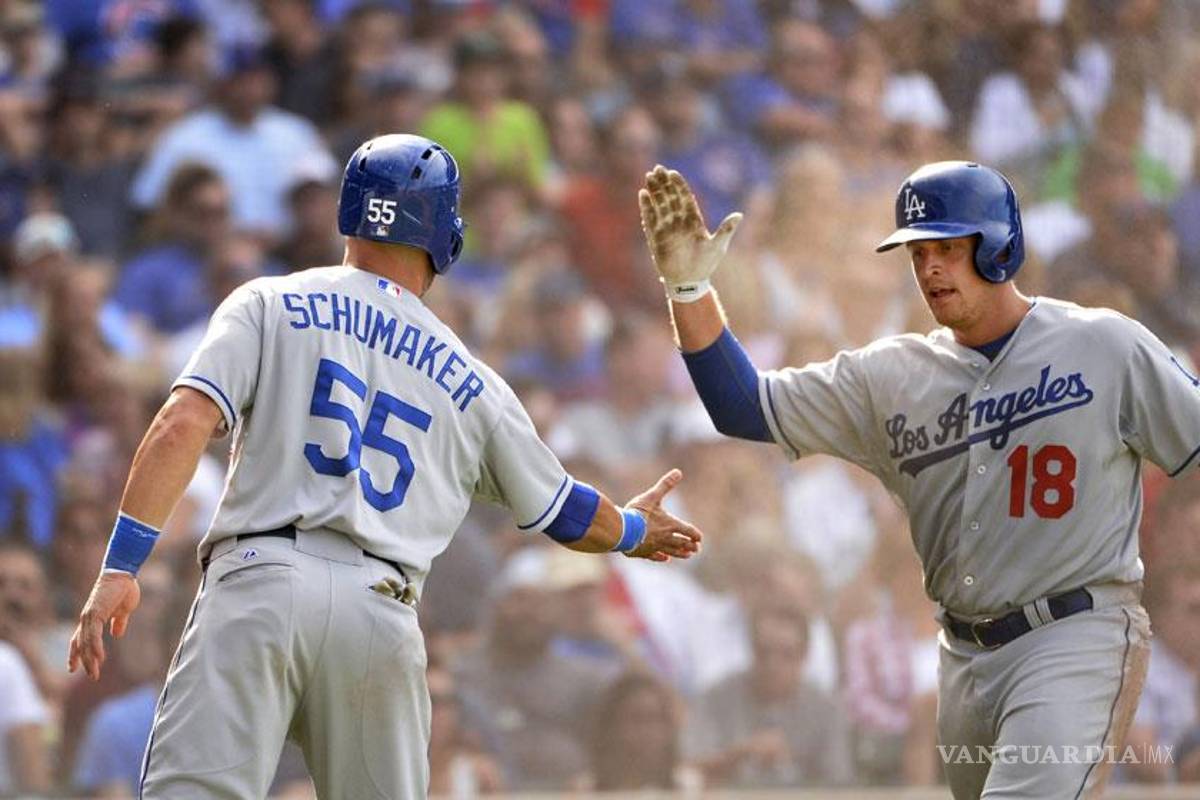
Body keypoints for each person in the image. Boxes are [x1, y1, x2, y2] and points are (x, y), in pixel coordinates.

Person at [67, 134, 703, 800]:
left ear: (350, 210)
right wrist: (634, 528)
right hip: (379, 611)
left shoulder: (269, 302)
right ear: (445, 237)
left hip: (259, 581)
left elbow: (180, 424)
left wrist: (121, 567)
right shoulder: (474, 382)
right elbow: (565, 513)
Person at [637, 159, 1200, 798]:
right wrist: (689, 290)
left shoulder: (1104, 345)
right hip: (962, 657)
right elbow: (744, 408)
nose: (929, 268)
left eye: (948, 248)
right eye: (918, 252)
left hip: (1074, 636)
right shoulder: (891, 376)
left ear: (999, 247)